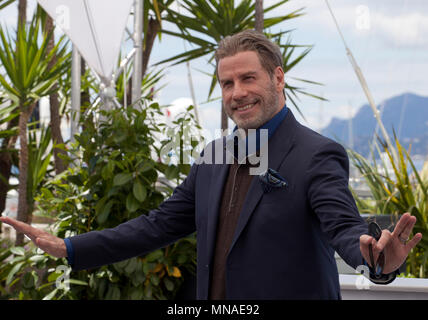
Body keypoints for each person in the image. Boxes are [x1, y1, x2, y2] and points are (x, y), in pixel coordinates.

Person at [0, 30, 422, 299]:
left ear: (278, 78)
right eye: (227, 83)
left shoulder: (317, 153)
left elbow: (343, 226)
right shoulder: (213, 155)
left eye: (248, 78)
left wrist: (377, 260)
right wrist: (70, 246)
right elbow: (157, 225)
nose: (236, 93)